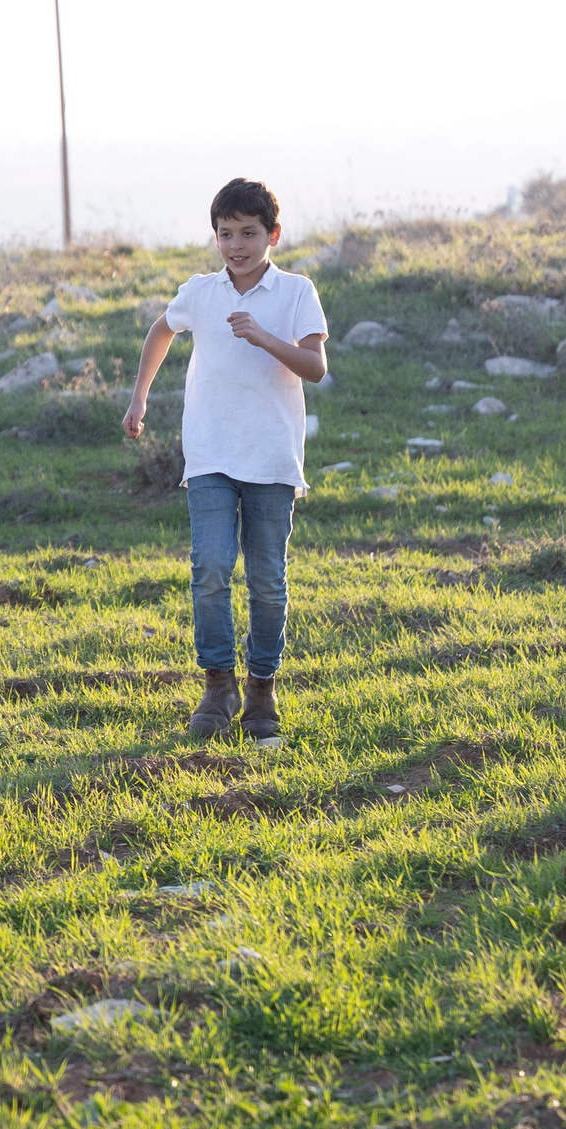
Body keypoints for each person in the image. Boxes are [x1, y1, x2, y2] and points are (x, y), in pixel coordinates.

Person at [123, 177, 329, 741]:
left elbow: (315, 366)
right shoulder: (201, 292)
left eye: (248, 233)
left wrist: (263, 337)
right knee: (210, 569)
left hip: (272, 459)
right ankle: (218, 685)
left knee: (266, 580)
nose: (236, 245)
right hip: (210, 455)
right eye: (225, 233)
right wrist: (139, 397)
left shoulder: (295, 293)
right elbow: (161, 330)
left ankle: (262, 689)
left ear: (273, 235)